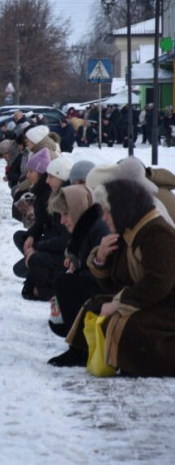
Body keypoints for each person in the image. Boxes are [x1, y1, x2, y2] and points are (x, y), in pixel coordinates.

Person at [61, 179, 175, 376]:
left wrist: (118, 304)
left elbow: (158, 284)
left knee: (127, 325)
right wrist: (101, 258)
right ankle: (82, 353)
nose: (104, 218)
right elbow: (113, 284)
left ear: (122, 209)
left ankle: (134, 362)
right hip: (153, 302)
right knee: (94, 306)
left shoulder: (157, 233)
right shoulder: (128, 232)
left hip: (168, 307)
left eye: (108, 211)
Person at [46, 185, 111, 351]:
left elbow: (104, 275)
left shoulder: (97, 228)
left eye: (65, 214)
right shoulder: (86, 227)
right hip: (101, 291)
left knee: (64, 282)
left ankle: (80, 348)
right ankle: (74, 337)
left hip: (107, 295)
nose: (62, 220)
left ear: (77, 209)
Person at [13, 148, 69, 300]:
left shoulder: (57, 198)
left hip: (64, 253)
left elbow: (62, 237)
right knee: (21, 239)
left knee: (23, 270)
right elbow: (42, 223)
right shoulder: (46, 192)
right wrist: (32, 237)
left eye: (31, 171)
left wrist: (37, 248)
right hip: (54, 244)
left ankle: (45, 280)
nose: (47, 181)